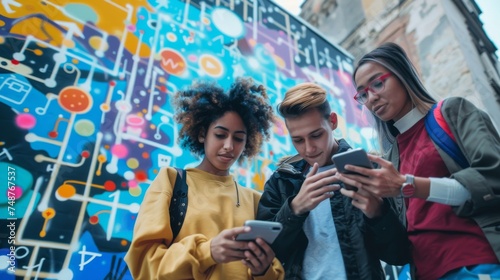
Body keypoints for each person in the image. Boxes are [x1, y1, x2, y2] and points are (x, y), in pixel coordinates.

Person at [338, 42, 500, 279]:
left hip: (477, 263)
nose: (371, 98)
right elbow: (399, 253)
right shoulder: (391, 158)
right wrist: (376, 212)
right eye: (363, 94)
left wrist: (407, 185)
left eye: (377, 83)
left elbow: (493, 177)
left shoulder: (452, 112)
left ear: (402, 74)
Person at [125, 78, 284, 280]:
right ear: (202, 134)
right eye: (220, 135)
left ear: (247, 143)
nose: (229, 146)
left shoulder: (255, 200)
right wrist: (207, 252)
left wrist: (263, 271)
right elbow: (144, 264)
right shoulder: (172, 181)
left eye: (238, 138)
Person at [256, 82, 410, 279]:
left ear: (333, 121)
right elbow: (267, 255)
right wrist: (295, 209)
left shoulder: (370, 170)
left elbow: (399, 255)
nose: (309, 148)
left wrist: (378, 213)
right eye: (298, 140)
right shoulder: (281, 182)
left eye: (316, 135)